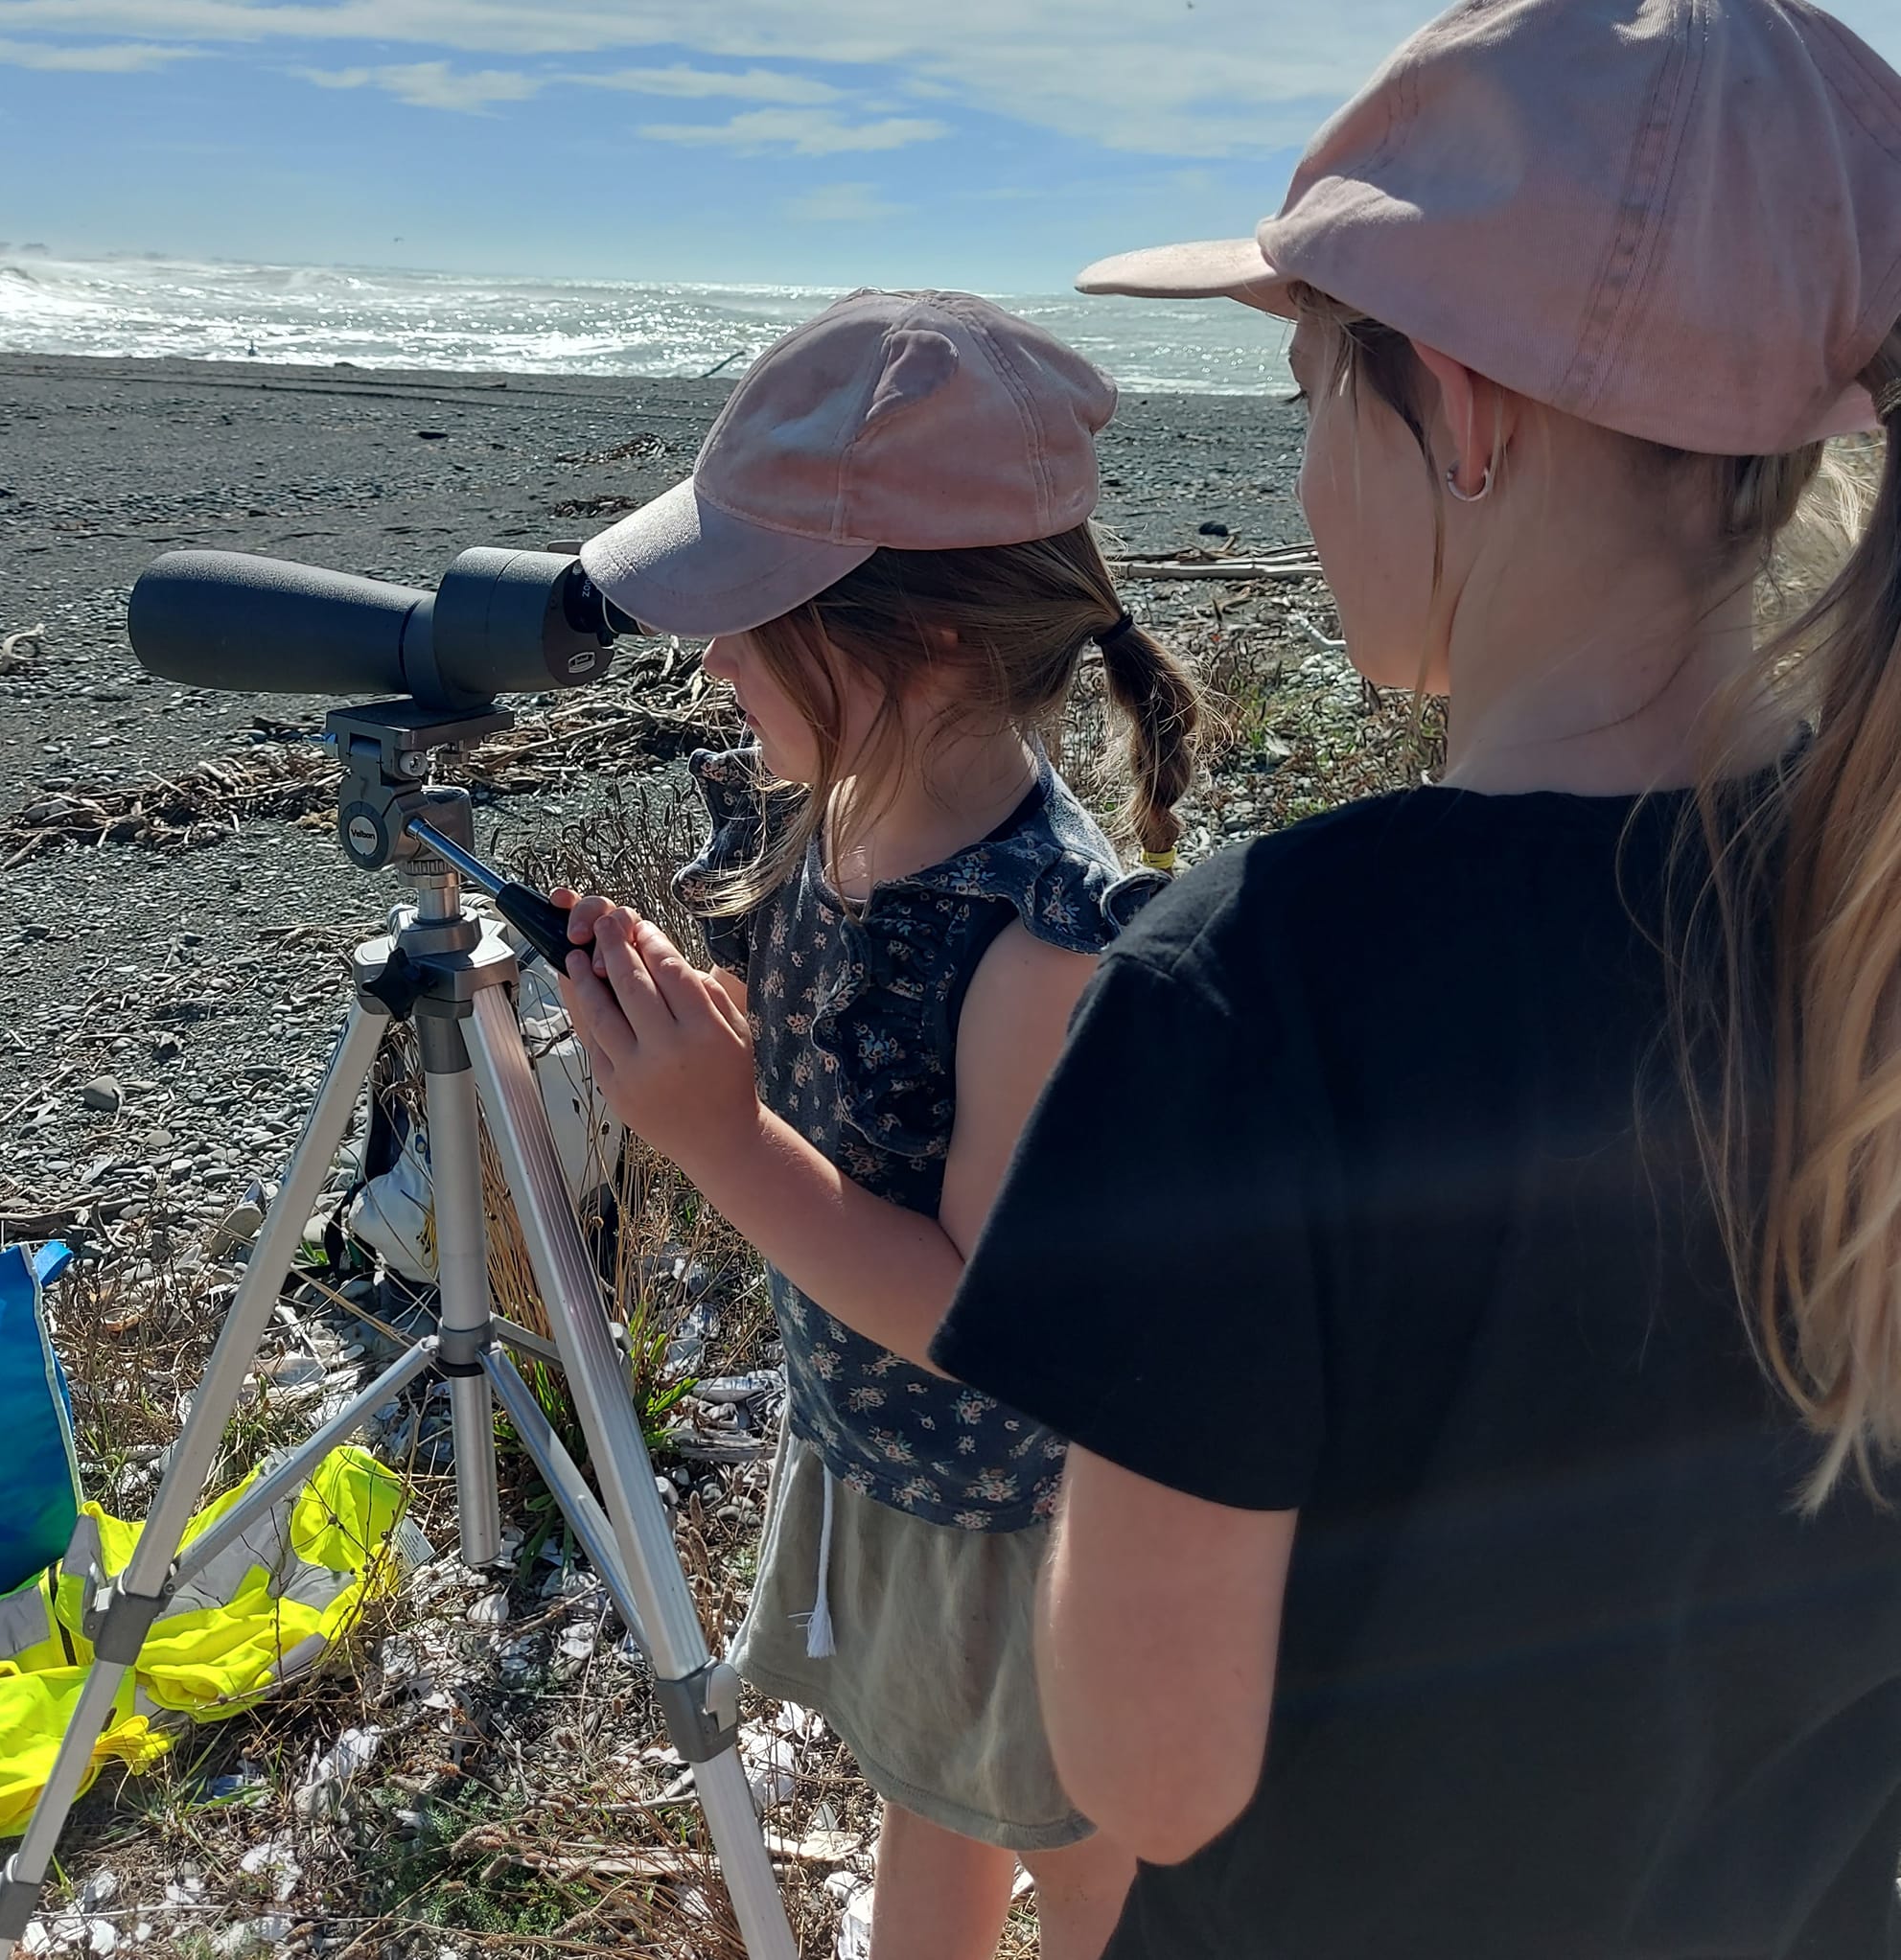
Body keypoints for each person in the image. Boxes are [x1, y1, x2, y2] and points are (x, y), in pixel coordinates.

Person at [930, 3, 1901, 1955]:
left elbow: (1150, 1774)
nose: (1299, 477)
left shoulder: (1249, 992)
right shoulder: (1867, 908)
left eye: (1310, 393)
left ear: (1459, 413)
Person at [552, 289, 1199, 1960]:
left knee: (1087, 1847)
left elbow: (988, 1319)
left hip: (1015, 1509)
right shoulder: (837, 811)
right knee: (936, 1790)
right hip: (890, 1460)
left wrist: (716, 1137)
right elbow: (857, 1095)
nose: (708, 651)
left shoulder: (1041, 943)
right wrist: (707, 1045)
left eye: (749, 609)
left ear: (913, 642)